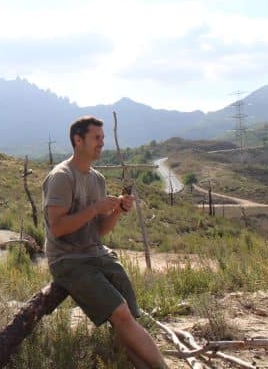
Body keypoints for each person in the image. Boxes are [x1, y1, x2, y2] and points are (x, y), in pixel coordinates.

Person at [43, 116, 166, 369]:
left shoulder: (97, 179)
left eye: (103, 138)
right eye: (96, 138)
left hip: (97, 254)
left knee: (129, 316)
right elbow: (57, 228)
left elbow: (99, 231)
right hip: (68, 260)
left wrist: (118, 210)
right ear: (78, 140)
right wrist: (95, 207)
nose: (102, 143)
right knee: (120, 313)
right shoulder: (62, 177)